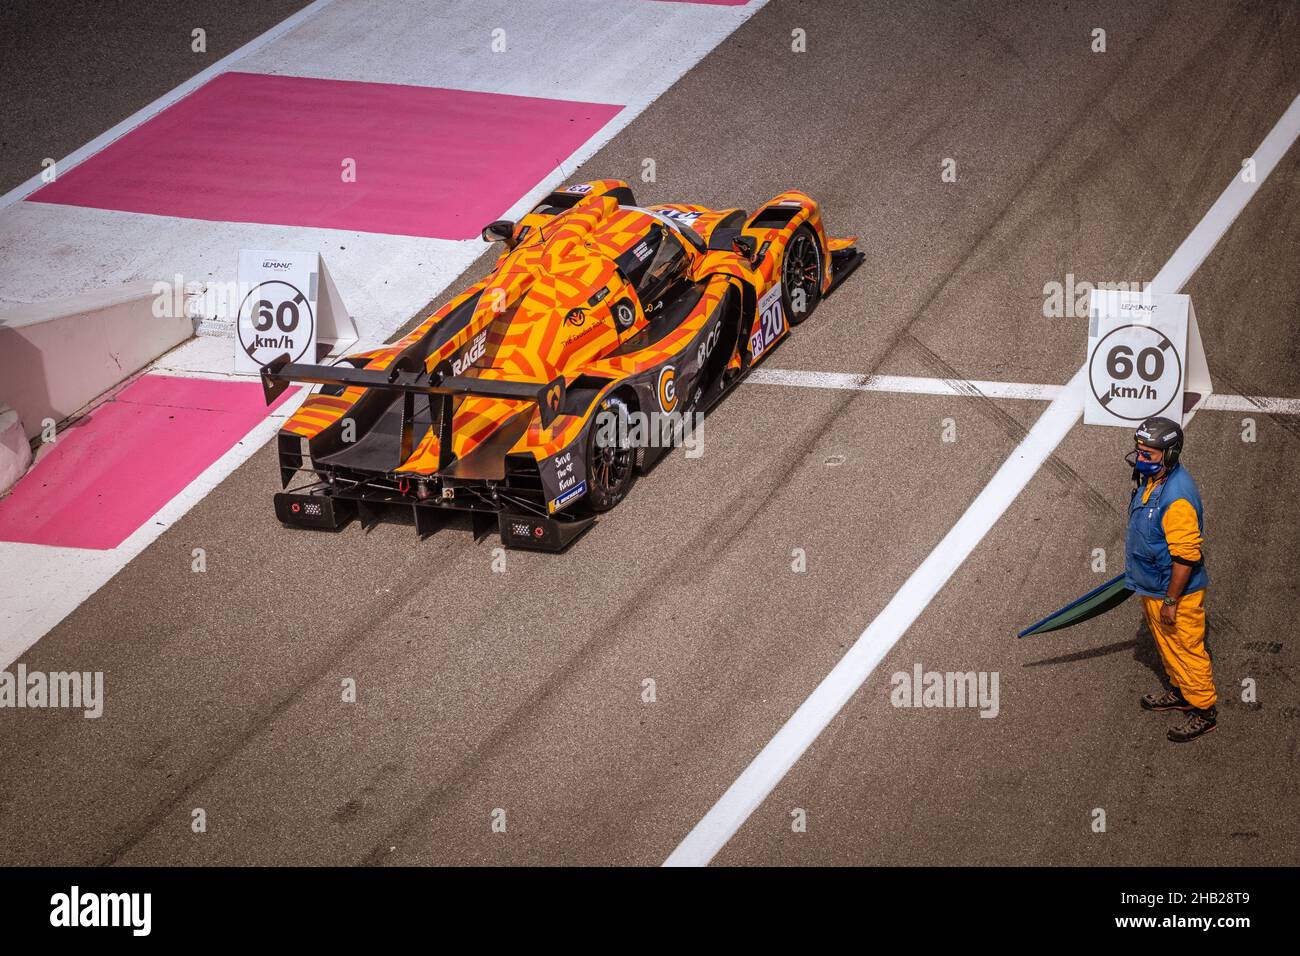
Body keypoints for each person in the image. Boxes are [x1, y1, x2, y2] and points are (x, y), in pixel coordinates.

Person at [1124, 416, 1217, 742]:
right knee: (1167, 645)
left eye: (1149, 454)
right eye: (1139, 452)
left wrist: (1172, 600)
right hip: (1152, 585)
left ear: (1171, 455)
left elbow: (1185, 557)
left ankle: (1204, 709)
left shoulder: (1176, 499)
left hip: (1174, 592)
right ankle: (1180, 691)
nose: (1141, 459)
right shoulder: (1155, 480)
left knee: (1187, 648)